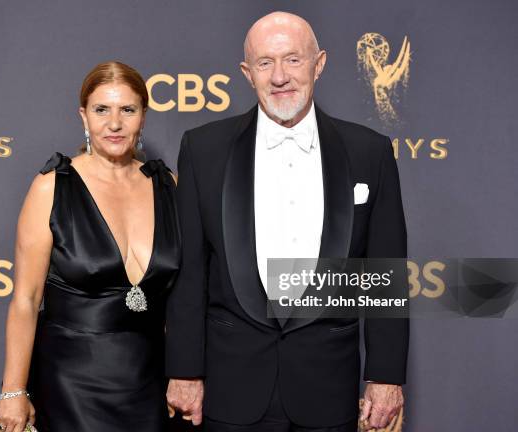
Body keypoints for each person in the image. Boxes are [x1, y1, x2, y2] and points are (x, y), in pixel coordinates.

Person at [165, 12, 408, 432]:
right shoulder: (204, 149)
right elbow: (190, 273)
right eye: (265, 63)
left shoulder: (369, 152)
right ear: (247, 73)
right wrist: (186, 371)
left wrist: (384, 378)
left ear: (320, 63)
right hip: (231, 387)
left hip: (327, 388)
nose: (280, 76)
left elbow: (383, 275)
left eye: (293, 59)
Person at [0, 61, 180, 432]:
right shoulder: (52, 186)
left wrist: (186, 375)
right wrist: (13, 392)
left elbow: (183, 302)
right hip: (71, 381)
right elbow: (26, 300)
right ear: (83, 115)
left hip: (150, 382)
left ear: (144, 115)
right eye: (101, 110)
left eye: (127, 110)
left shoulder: (168, 185)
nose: (114, 123)